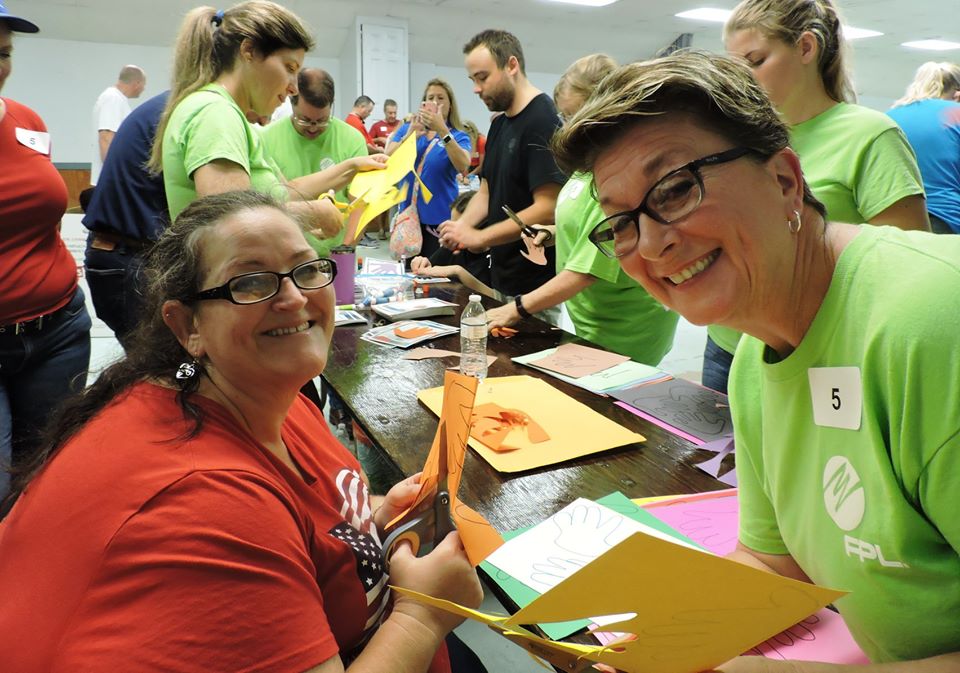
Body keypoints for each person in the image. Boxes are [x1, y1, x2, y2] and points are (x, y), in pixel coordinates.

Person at [553, 50, 960, 669]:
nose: (654, 242)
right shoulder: (751, 364)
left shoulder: (933, 323)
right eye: (621, 223)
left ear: (784, 180)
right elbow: (776, 561)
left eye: (676, 189)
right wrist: (662, 644)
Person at [0, 190, 484, 672]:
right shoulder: (204, 503)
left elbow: (306, 523)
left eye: (306, 268)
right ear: (187, 324)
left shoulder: (264, 393)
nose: (294, 298)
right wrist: (422, 616)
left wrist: (376, 522)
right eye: (250, 283)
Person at [705, 0, 929, 394]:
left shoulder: (869, 135)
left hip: (818, 351)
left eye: (755, 61)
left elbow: (907, 270)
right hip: (729, 346)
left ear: (806, 48)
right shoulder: (740, 139)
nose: (745, 81)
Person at [484, 54, 679, 365]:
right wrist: (552, 233)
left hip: (626, 329)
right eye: (565, 117)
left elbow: (585, 272)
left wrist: (517, 308)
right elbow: (583, 226)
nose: (569, 127)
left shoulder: (618, 175)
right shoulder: (587, 162)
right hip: (592, 321)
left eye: (576, 115)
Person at [150, 1, 382, 238]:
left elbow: (287, 192)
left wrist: (351, 166)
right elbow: (232, 219)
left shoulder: (232, 117)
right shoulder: (215, 113)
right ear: (248, 50)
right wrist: (313, 213)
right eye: (289, 67)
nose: (293, 88)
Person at [0, 5, 92, 503]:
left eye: (3, 53)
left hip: (58, 330)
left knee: (50, 472)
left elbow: (42, 213)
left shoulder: (26, 121)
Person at [438, 29, 566, 297]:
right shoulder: (500, 124)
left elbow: (548, 208)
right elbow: (486, 191)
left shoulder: (543, 120)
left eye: (483, 78)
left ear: (511, 65)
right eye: (473, 79)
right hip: (501, 275)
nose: (476, 88)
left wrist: (481, 237)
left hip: (535, 284)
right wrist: (464, 227)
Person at [83, 90, 170, 346]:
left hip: (125, 253)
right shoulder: (114, 98)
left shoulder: (164, 105)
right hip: (130, 255)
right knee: (159, 364)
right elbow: (106, 140)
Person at [261, 68, 370, 257]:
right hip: (282, 257)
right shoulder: (267, 138)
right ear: (291, 101)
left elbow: (360, 205)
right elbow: (269, 206)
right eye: (304, 120)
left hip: (335, 255)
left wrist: (344, 251)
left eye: (322, 121)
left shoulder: (352, 139)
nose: (313, 128)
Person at [387, 78, 471, 259]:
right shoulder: (409, 129)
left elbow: (463, 164)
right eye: (430, 97)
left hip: (440, 221)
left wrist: (442, 131)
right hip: (409, 218)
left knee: (435, 276)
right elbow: (388, 158)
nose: (435, 102)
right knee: (410, 274)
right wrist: (410, 136)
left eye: (440, 98)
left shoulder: (457, 135)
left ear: (450, 105)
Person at [888, 62, 960, 234]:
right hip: (947, 221)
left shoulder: (888, 117)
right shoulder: (955, 113)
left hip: (894, 221)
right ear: (957, 94)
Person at [411, 191, 495, 297]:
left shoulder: (499, 255)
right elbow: (432, 267)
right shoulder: (452, 246)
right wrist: (423, 263)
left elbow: (500, 298)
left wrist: (458, 272)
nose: (452, 233)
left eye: (458, 227)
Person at [90, 64, 146, 186]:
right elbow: (106, 138)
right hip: (112, 181)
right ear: (137, 83)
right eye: (144, 84)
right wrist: (115, 176)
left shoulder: (115, 98)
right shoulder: (113, 99)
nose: (144, 88)